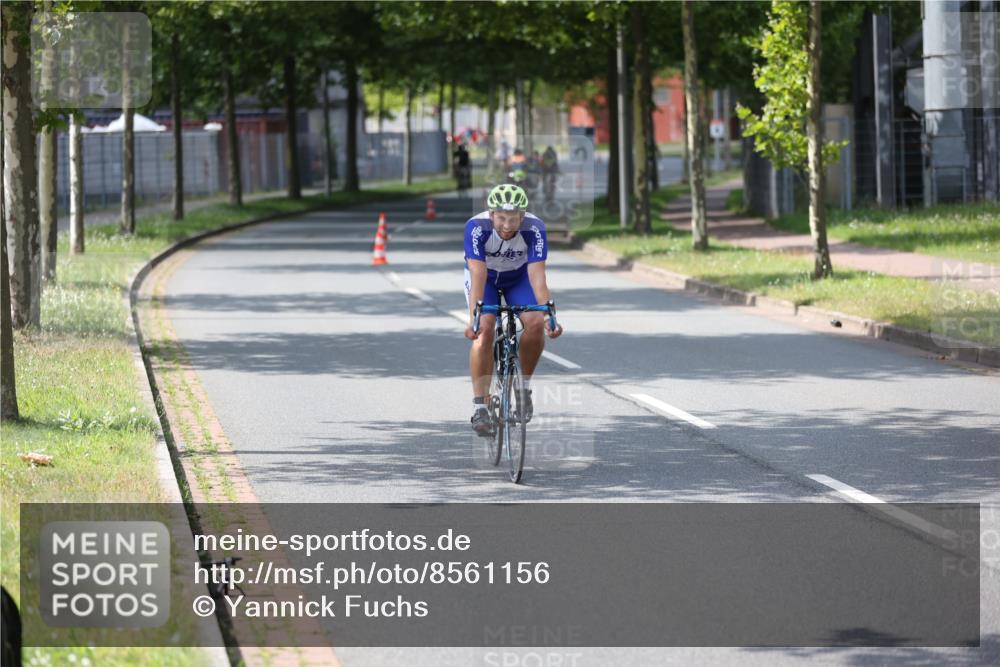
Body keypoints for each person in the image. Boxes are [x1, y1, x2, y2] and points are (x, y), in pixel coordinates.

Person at [463, 184, 563, 436]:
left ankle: (523, 388)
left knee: (536, 323)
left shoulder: (534, 228)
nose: (507, 225)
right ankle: (480, 407)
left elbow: (537, 276)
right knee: (484, 331)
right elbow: (477, 272)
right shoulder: (476, 228)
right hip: (485, 279)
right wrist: (474, 319)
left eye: (514, 218)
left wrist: (550, 315)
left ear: (523, 216)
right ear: (491, 214)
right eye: (501, 218)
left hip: (518, 278)